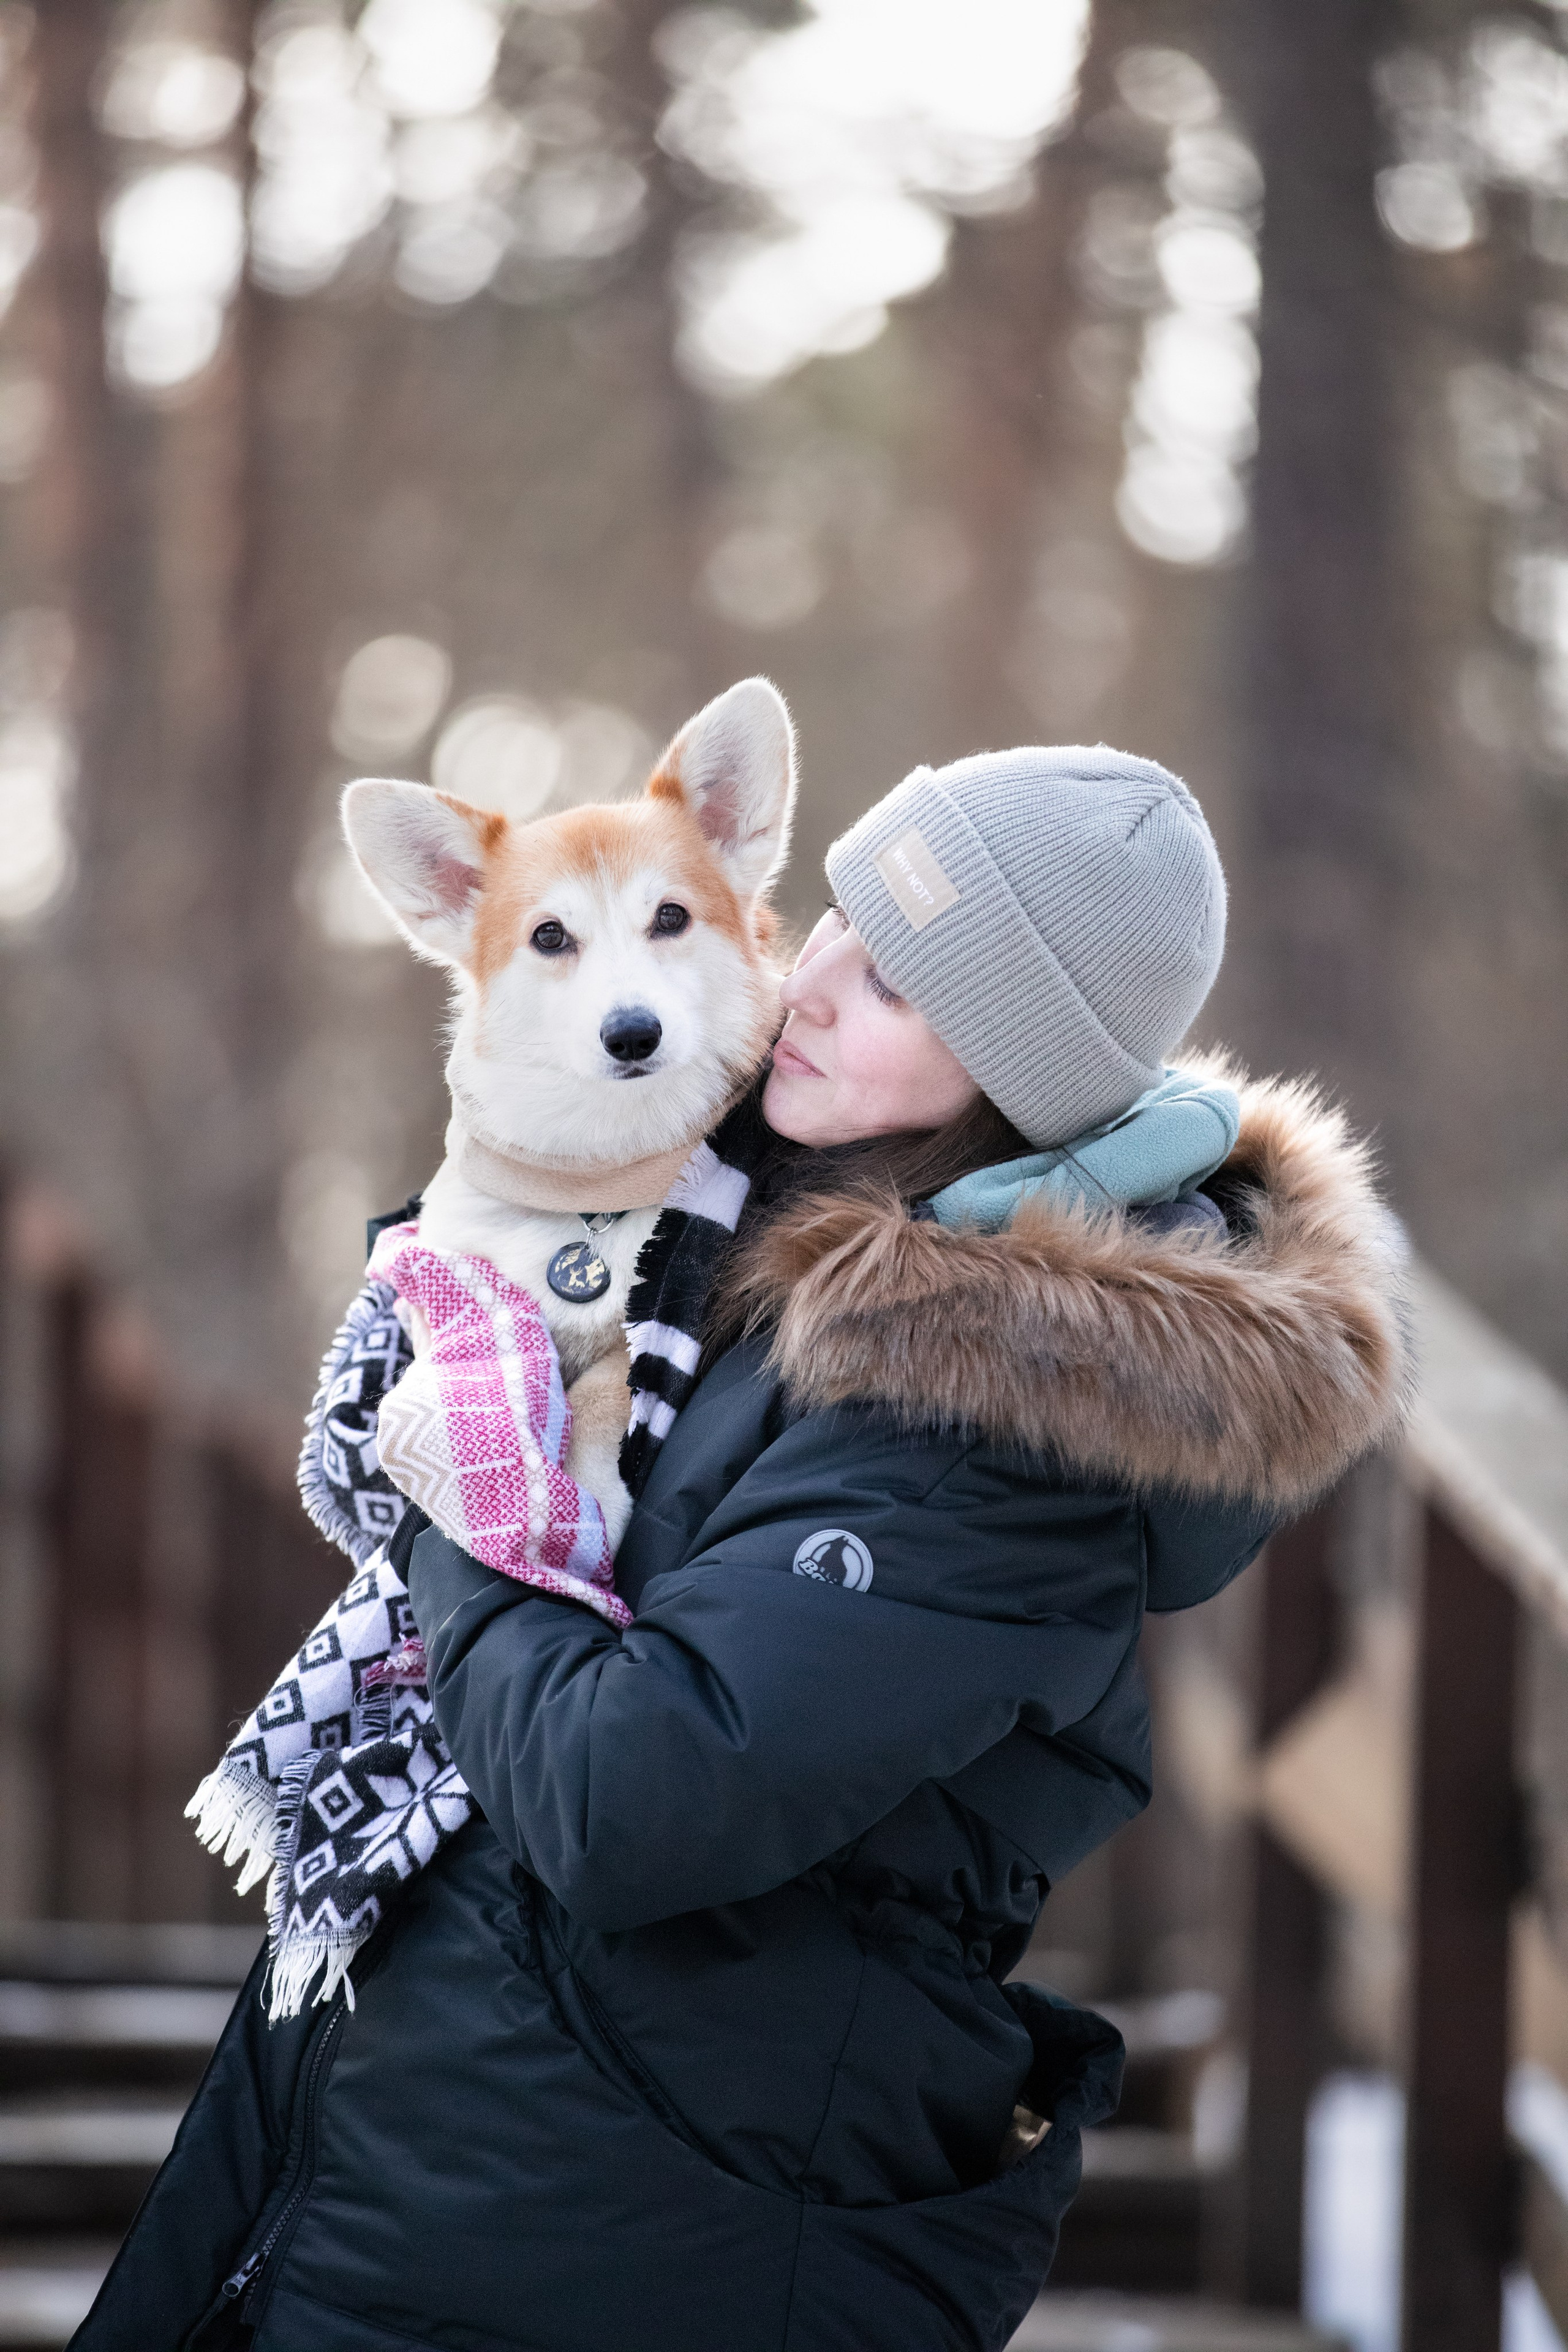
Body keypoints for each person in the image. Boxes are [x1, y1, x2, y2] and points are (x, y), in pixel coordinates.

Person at [76, 745, 1408, 2352]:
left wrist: (470, 1500)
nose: (816, 981)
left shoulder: (997, 1425)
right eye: (840, 917)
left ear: (1016, 1076)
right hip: (461, 2176)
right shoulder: (731, 1231)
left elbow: (630, 1796)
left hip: (637, 2228)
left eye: (901, 984)